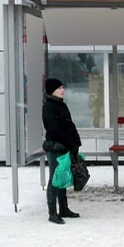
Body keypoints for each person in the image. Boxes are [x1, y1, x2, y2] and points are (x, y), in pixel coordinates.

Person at [42, 78, 82, 225]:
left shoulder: (61, 105)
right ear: (52, 90)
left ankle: (63, 209)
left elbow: (70, 125)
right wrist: (68, 143)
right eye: (59, 88)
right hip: (56, 148)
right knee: (55, 179)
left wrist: (76, 142)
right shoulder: (49, 107)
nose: (62, 90)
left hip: (66, 147)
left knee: (62, 177)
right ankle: (52, 212)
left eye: (62, 87)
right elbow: (54, 129)